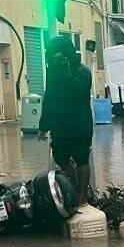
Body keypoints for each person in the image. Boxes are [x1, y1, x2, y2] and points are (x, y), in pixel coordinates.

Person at [39, 35, 94, 207]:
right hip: (60, 126)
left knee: (82, 159)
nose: (54, 58)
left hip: (79, 125)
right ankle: (76, 190)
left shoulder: (83, 72)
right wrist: (43, 125)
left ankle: (83, 196)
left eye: (58, 54)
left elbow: (74, 91)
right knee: (60, 156)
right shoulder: (53, 74)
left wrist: (63, 70)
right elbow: (49, 99)